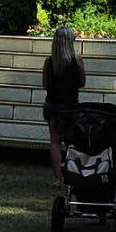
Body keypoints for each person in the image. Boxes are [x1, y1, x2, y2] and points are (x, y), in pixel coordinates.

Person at [42, 27, 86, 188]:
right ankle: (70, 177)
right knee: (70, 142)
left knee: (54, 141)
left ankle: (58, 179)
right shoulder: (77, 59)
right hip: (70, 107)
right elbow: (82, 83)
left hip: (51, 105)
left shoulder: (49, 61)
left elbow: (45, 85)